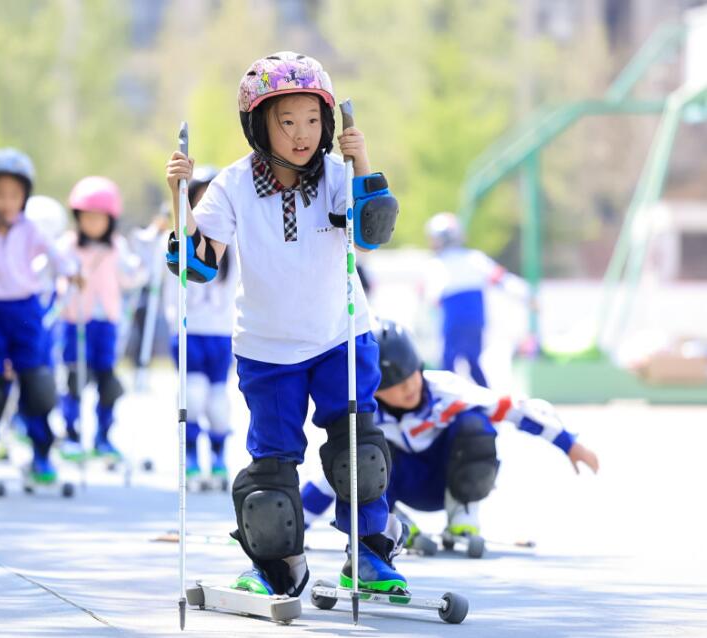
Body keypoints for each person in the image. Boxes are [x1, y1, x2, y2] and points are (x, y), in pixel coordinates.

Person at [165, 52, 400, 597]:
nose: (302, 135)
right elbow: (199, 266)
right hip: (268, 349)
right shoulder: (232, 186)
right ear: (259, 125)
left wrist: (363, 163)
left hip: (340, 336)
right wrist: (177, 202)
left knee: (357, 453)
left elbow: (370, 235)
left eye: (313, 120)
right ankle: (277, 566)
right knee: (270, 471)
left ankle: (368, 552)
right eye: (287, 121)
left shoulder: (338, 177)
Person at [301, 321, 600, 556]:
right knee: (363, 453)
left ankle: (463, 517)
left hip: (447, 481)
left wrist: (570, 445)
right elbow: (334, 477)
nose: (408, 387)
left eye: (411, 374)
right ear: (374, 388)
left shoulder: (448, 390)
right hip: (397, 487)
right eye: (394, 383)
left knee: (474, 423)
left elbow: (516, 408)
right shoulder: (370, 415)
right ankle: (392, 524)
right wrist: (297, 525)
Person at [0, 148, 77, 492]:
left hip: (25, 310)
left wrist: (72, 273)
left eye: (14, 194)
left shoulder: (30, 230)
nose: (7, 202)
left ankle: (41, 454)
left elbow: (57, 258)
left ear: (24, 196)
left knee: (36, 383)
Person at [162, 166, 238, 490]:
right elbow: (168, 293)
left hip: (221, 335)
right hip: (190, 333)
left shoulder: (233, 245)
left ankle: (219, 456)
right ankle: (191, 455)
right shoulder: (179, 240)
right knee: (192, 397)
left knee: (219, 403)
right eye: (200, 197)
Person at [58, 176, 143, 463]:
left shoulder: (117, 247)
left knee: (107, 381)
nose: (93, 224)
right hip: (75, 321)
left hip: (105, 323)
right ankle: (70, 433)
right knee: (75, 378)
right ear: (78, 218)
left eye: (99, 218)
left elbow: (130, 277)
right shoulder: (68, 245)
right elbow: (55, 274)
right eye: (87, 217)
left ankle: (103, 436)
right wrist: (69, 281)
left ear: (110, 220)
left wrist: (147, 266)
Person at [424, 212, 529, 387]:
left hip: (453, 320)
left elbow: (431, 300)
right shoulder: (475, 259)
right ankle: (487, 400)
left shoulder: (436, 265)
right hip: (476, 318)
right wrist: (527, 296)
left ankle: (446, 403)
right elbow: (503, 280)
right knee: (473, 361)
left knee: (448, 363)